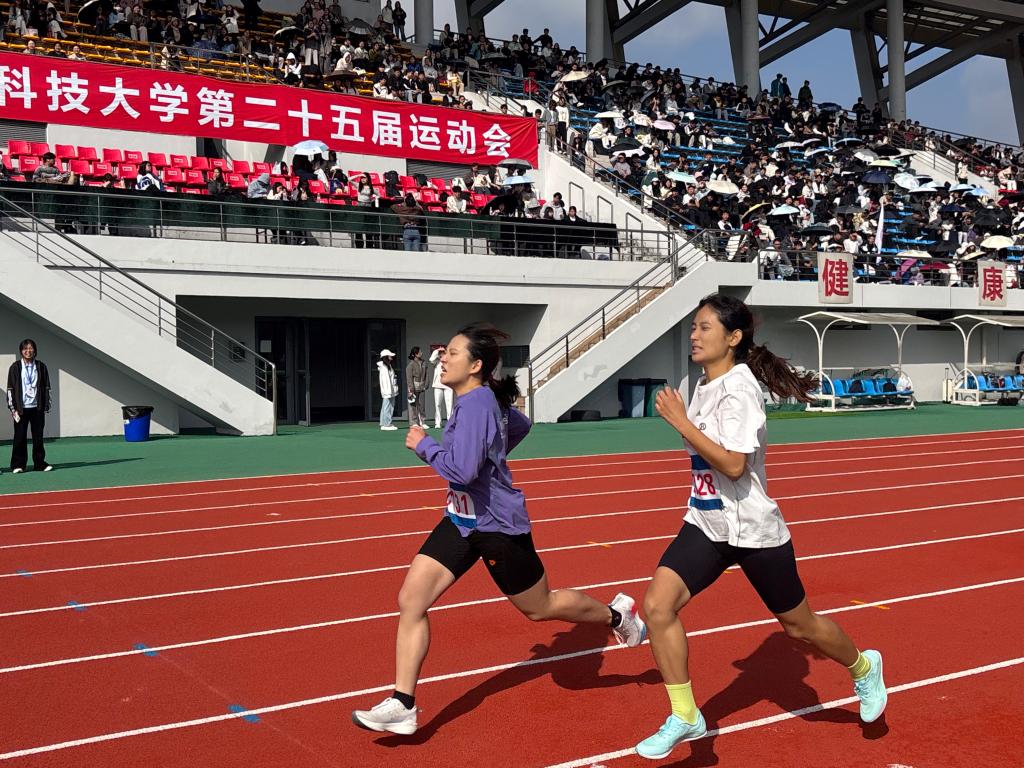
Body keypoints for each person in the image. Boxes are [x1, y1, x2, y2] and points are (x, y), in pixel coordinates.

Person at [351, 324, 647, 736]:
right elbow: (519, 425)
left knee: (539, 607)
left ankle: (617, 615)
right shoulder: (477, 399)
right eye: (444, 353)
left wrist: (424, 445)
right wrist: (492, 452)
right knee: (412, 599)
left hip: (497, 526)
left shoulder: (476, 404)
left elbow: (462, 470)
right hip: (461, 520)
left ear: (475, 365)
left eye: (452, 353)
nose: (443, 359)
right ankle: (403, 703)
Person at [634, 294, 886, 760]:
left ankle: (864, 667)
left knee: (800, 627)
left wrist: (682, 424)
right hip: (707, 521)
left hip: (753, 529)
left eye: (704, 327)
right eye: (694, 327)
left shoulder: (740, 389)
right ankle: (685, 715)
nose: (694, 335)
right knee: (657, 606)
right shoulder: (704, 385)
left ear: (733, 337)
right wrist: (686, 422)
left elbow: (734, 465)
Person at [7, 339, 52, 473]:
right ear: (21, 351)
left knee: (38, 437)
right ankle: (18, 465)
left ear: (35, 350)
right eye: (25, 349)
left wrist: (47, 405)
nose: (28, 351)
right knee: (19, 437)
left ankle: (40, 463)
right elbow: (10, 388)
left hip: (37, 408)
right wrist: (13, 408)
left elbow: (47, 387)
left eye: (30, 348)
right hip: (21, 409)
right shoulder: (15, 367)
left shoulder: (41, 366)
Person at [428, 345, 452, 428]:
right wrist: (437, 350)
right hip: (438, 385)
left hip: (448, 385)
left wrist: (446, 352)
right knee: (437, 404)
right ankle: (438, 423)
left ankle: (450, 422)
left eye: (443, 352)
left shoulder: (450, 360)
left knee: (449, 405)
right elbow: (431, 359)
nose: (441, 354)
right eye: (440, 353)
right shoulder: (437, 361)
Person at [405, 346, 428, 428]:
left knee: (422, 405)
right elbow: (409, 378)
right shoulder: (410, 365)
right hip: (413, 387)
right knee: (413, 405)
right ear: (416, 354)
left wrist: (426, 384)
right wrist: (411, 389)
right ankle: (413, 422)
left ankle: (422, 422)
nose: (421, 353)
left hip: (422, 387)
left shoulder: (424, 363)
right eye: (420, 352)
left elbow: (426, 375)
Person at [378, 349, 398, 431]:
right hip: (388, 391)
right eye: (390, 356)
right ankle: (387, 424)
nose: (392, 357)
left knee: (386, 407)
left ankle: (384, 423)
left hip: (390, 390)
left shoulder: (388, 366)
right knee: (388, 407)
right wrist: (389, 392)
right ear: (386, 357)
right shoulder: (384, 368)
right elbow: (386, 381)